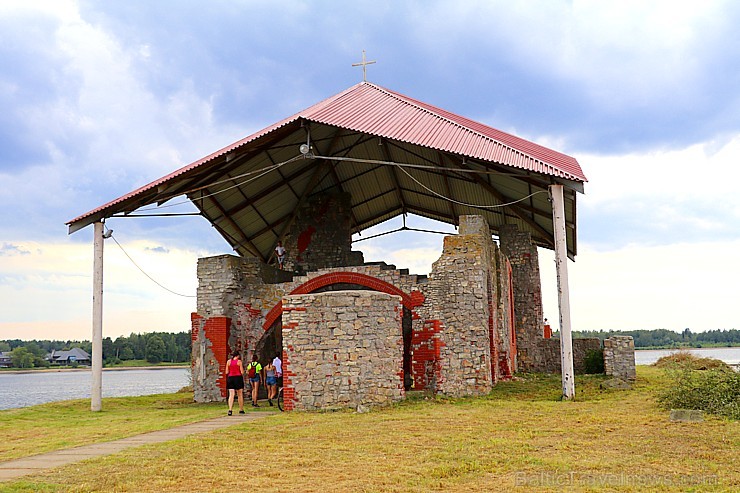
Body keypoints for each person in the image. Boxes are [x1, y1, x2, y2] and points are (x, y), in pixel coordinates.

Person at [224, 350, 245, 416]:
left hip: (230, 378)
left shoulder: (228, 362)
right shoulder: (239, 362)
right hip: (238, 378)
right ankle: (241, 409)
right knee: (240, 394)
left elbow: (226, 372)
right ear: (238, 356)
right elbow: (242, 372)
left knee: (231, 394)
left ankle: (230, 410)